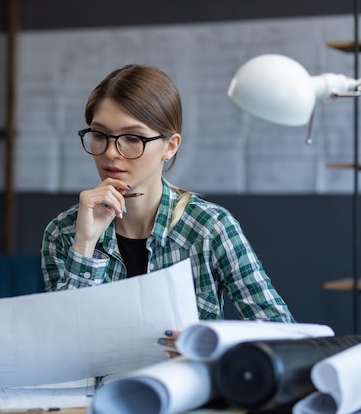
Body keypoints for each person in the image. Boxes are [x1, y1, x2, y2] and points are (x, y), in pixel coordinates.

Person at [41, 64, 295, 351]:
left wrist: (211, 348)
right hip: (95, 394)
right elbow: (60, 347)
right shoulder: (64, 232)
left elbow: (282, 332)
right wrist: (85, 243)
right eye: (100, 135)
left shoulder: (209, 226)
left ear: (170, 146)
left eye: (133, 138)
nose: (111, 152)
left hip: (189, 390)